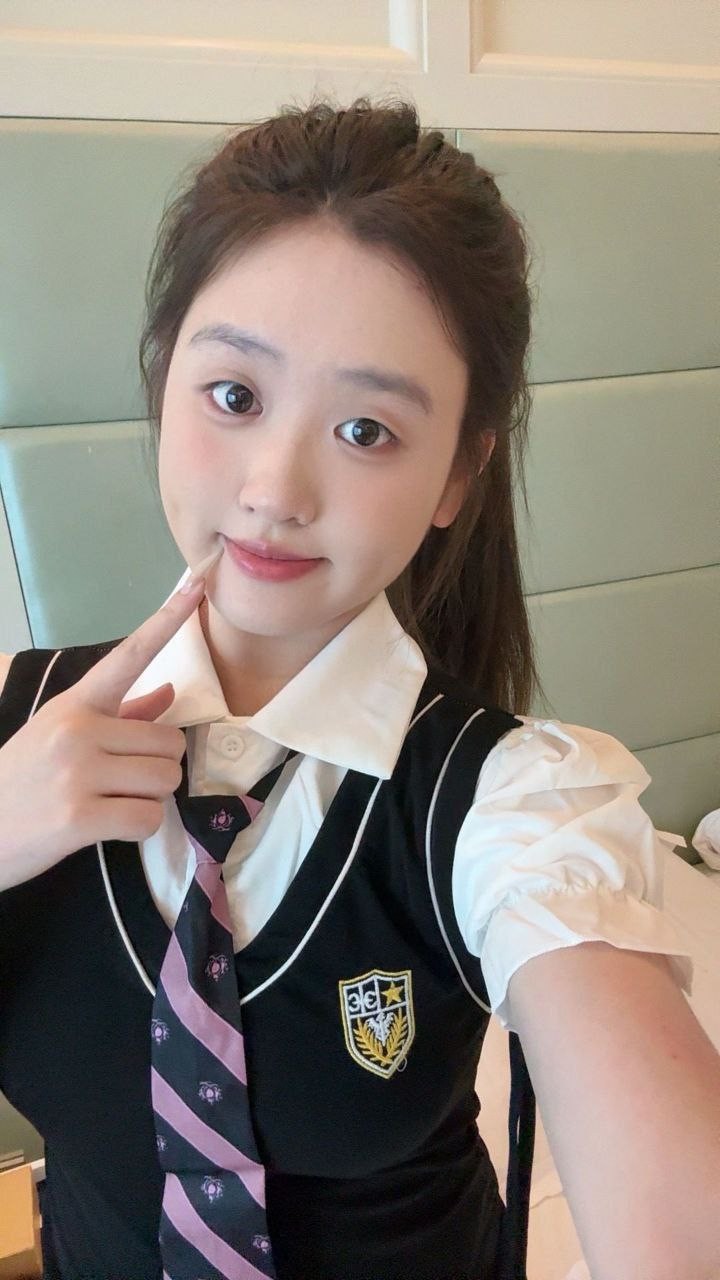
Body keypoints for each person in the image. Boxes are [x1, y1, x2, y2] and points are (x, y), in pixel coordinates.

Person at [0, 94, 716, 1280]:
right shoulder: (17, 727)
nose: (275, 490)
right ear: (164, 376)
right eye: (235, 395)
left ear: (459, 473)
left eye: (368, 430)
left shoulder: (513, 807)